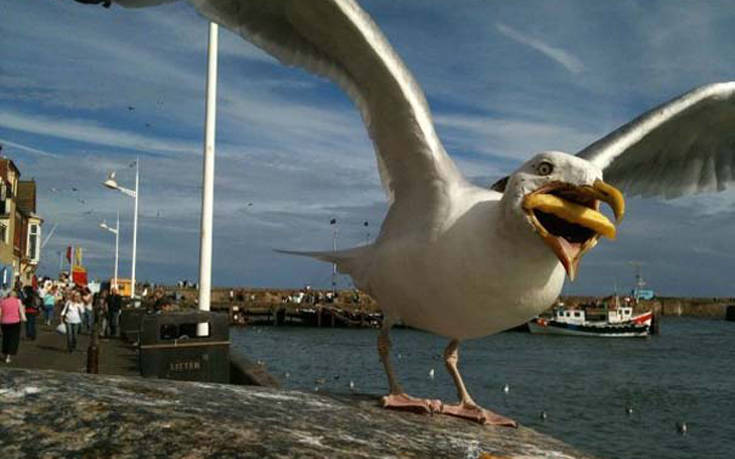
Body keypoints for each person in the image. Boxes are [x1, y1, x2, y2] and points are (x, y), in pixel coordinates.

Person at [0, 290, 26, 363]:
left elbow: (0, 311)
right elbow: (21, 310)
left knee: (5, 338)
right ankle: (8, 355)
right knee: (13, 339)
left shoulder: (3, 301)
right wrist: (23, 318)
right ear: (15, 296)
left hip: (4, 322)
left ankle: (5, 353)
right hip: (15, 322)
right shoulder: (18, 301)